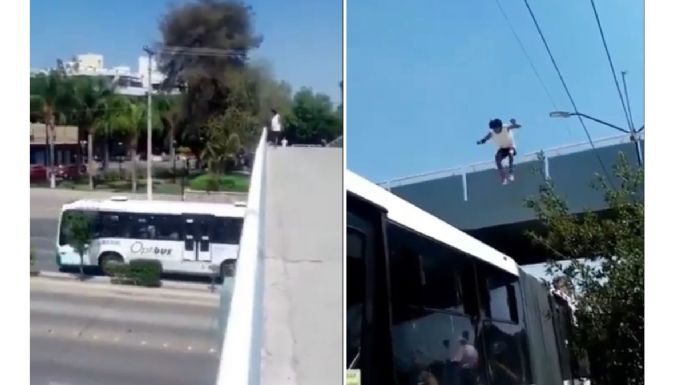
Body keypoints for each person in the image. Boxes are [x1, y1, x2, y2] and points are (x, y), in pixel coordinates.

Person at [477, 118, 522, 185]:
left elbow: (519, 126)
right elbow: (485, 138)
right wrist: (480, 141)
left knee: (511, 153)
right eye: (494, 129)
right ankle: (504, 178)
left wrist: (514, 124)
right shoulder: (492, 133)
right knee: (497, 158)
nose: (495, 130)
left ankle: (511, 173)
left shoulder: (505, 127)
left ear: (500, 126)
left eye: (496, 128)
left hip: (510, 146)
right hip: (502, 149)